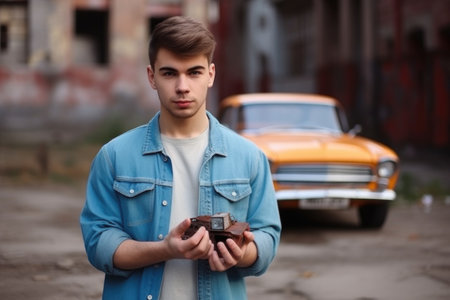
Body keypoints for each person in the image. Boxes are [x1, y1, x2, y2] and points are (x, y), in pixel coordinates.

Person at [80, 16, 281, 300]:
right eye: (170, 73)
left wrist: (241, 253)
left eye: (194, 72)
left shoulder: (249, 157)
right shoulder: (114, 156)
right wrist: (165, 250)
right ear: (152, 77)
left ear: (211, 74)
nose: (182, 86)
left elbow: (267, 238)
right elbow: (98, 243)